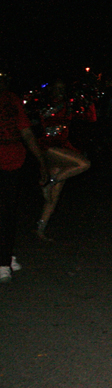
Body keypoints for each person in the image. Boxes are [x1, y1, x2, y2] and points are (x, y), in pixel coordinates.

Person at [0, 68, 49, 282]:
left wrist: (41, 162)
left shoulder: (12, 100)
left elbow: (26, 132)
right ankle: (4, 259)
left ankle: (5, 258)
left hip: (13, 161)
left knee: (7, 212)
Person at [35, 80, 94, 241]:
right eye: (57, 88)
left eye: (62, 88)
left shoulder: (70, 105)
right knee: (84, 163)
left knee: (54, 197)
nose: (60, 91)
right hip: (48, 147)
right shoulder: (46, 104)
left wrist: (88, 103)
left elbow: (91, 118)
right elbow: (44, 118)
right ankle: (50, 182)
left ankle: (40, 229)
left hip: (64, 147)